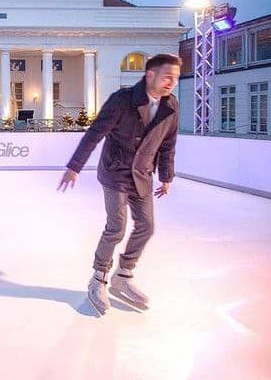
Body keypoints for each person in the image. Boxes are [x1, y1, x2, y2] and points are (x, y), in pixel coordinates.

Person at [58, 53, 181, 316]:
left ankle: (123, 275)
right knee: (116, 227)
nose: (172, 82)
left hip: (143, 174)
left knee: (146, 227)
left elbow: (168, 144)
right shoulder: (122, 100)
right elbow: (95, 134)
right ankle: (98, 278)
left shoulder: (171, 105)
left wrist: (166, 176)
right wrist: (74, 166)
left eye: (176, 78)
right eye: (167, 76)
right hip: (115, 172)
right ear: (150, 75)